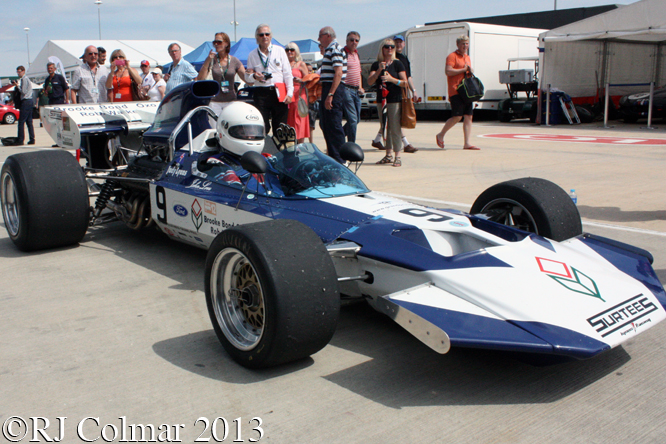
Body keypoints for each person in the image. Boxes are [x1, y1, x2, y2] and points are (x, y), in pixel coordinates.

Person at [245, 24, 293, 135]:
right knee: (262, 125)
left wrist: (290, 94)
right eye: (261, 35)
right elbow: (248, 77)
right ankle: (264, 150)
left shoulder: (279, 51)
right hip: (261, 92)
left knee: (280, 126)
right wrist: (254, 76)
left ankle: (279, 150)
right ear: (257, 37)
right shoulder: (252, 55)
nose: (264, 37)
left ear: (271, 36)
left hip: (278, 91)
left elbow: (287, 74)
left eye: (267, 34)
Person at [368, 39, 408, 167]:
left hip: (394, 99)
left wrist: (392, 79)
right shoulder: (376, 65)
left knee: (395, 127)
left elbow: (405, 82)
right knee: (385, 126)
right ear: (382, 49)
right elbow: (369, 81)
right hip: (382, 100)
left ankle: (398, 155)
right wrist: (379, 71)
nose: (390, 49)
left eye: (392, 47)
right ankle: (388, 154)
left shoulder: (398, 64)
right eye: (387, 47)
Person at [436, 34, 479, 150]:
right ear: (458, 45)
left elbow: (465, 71)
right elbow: (448, 71)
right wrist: (463, 69)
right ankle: (441, 134)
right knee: (457, 116)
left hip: (466, 91)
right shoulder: (452, 56)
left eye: (467, 43)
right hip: (456, 90)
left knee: (469, 116)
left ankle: (467, 143)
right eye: (463, 44)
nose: (465, 46)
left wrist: (469, 71)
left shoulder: (467, 57)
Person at [197, 32, 246, 115]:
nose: (216, 44)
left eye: (219, 42)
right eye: (214, 42)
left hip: (231, 101)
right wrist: (207, 61)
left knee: (230, 126)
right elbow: (200, 79)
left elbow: (246, 78)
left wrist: (254, 75)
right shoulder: (211, 60)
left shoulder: (234, 61)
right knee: (216, 127)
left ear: (226, 44)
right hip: (214, 101)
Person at [317, 26, 347, 164]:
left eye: (320, 36)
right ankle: (333, 156)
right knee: (326, 124)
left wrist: (331, 94)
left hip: (333, 88)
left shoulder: (334, 49)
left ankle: (340, 158)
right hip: (329, 88)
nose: (319, 39)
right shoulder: (330, 49)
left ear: (327, 36)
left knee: (334, 124)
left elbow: (338, 72)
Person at [285, 42, 310, 143]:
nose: (289, 52)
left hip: (298, 94)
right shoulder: (284, 64)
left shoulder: (301, 64)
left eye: (292, 50)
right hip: (286, 95)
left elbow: (309, 79)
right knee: (288, 119)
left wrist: (301, 80)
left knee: (298, 120)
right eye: (287, 50)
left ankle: (300, 146)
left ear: (296, 52)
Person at [342, 31, 363, 143]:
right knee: (352, 119)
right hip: (346, 89)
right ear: (346, 41)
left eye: (356, 40)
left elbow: (358, 72)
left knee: (356, 119)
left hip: (356, 90)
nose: (354, 42)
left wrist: (361, 87)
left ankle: (338, 136)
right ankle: (351, 145)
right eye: (351, 40)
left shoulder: (356, 54)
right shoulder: (343, 53)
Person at [13, 66, 35, 146]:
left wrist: (17, 86)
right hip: (29, 101)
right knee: (29, 122)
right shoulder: (26, 79)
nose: (18, 73)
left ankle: (20, 139)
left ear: (23, 71)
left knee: (21, 122)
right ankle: (32, 139)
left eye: (19, 71)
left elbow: (24, 91)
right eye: (17, 72)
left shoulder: (24, 79)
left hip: (26, 101)